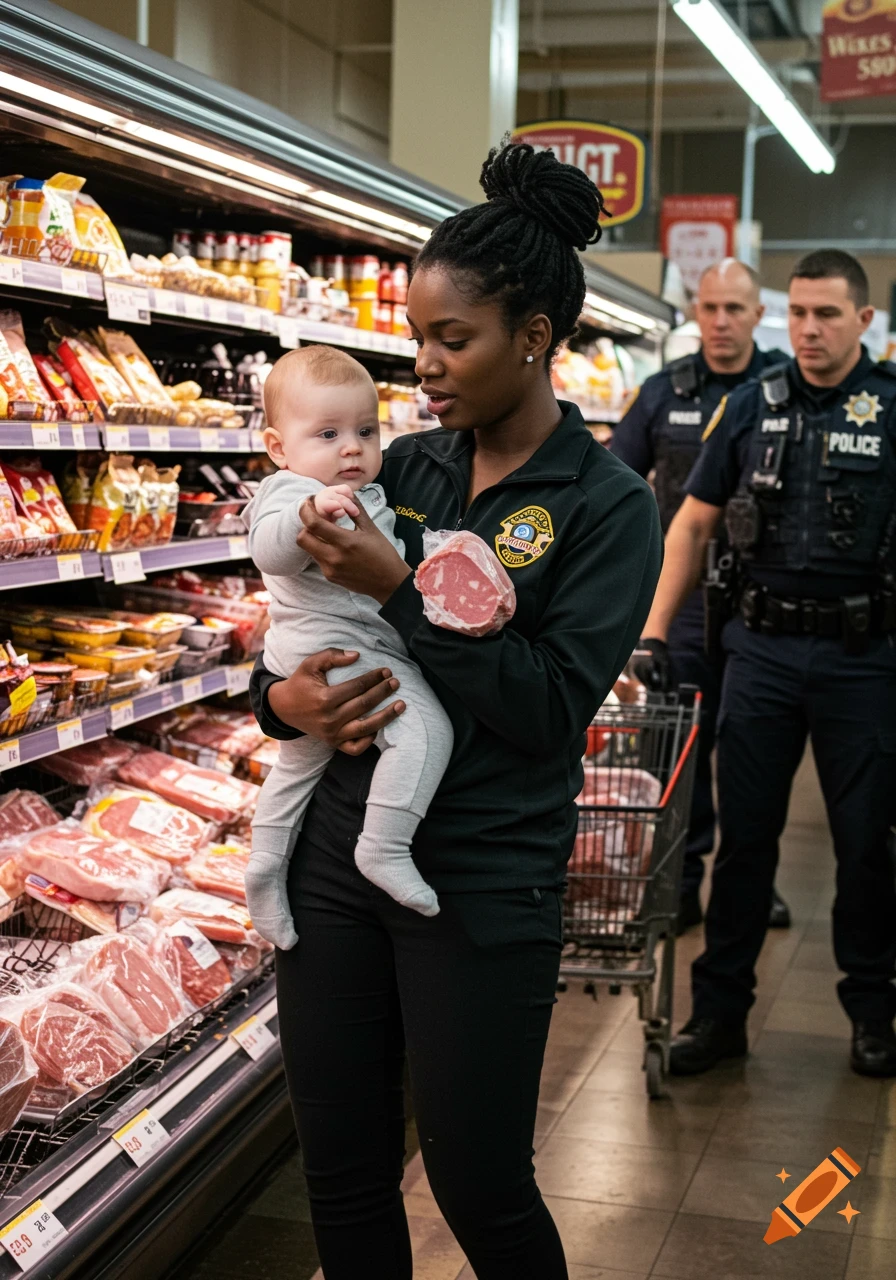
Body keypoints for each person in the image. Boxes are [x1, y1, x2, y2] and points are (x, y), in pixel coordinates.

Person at [247, 141, 662, 1279]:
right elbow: (291, 623)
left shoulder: (606, 506)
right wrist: (280, 700)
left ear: (532, 336)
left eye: (452, 339)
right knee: (340, 1166)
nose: (422, 365)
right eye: (419, 338)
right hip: (336, 856)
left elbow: (545, 703)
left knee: (479, 1180)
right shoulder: (402, 468)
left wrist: (399, 586)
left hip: (483, 874)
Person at [637, 249, 896, 1078]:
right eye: (800, 314)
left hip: (866, 659)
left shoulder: (892, 410)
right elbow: (690, 524)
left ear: (865, 321)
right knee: (745, 842)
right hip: (761, 654)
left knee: (867, 844)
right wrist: (652, 629)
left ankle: (874, 1011)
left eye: (828, 315)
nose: (810, 330)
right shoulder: (752, 406)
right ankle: (718, 1018)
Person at [244, 345, 454, 947]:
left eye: (366, 430)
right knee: (425, 731)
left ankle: (263, 866)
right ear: (279, 448)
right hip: (340, 654)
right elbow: (268, 550)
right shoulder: (291, 491)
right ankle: (384, 846)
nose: (352, 448)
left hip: (327, 655)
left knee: (295, 773)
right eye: (329, 433)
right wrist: (306, 515)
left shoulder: (372, 490)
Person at [611, 258, 791, 933]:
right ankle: (679, 886)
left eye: (734, 309)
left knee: (752, 760)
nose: (720, 321)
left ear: (756, 314)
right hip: (680, 604)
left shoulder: (784, 390)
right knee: (678, 753)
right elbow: (614, 480)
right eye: (709, 307)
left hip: (753, 606)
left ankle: (750, 887)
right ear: (696, 310)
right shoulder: (664, 390)